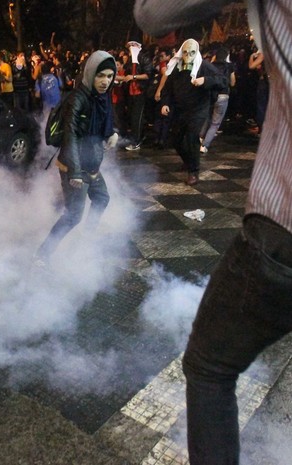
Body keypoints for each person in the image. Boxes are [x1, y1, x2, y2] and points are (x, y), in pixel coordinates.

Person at [135, 1, 292, 464]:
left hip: (283, 228)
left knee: (209, 369)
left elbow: (153, 13)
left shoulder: (211, 67)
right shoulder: (179, 68)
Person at [35, 50, 119, 265]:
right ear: (90, 73)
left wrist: (112, 133)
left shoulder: (102, 98)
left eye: (110, 76)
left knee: (102, 198)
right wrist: (74, 173)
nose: (105, 81)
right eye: (101, 76)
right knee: (73, 215)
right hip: (74, 166)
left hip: (92, 164)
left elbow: (104, 125)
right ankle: (42, 255)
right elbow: (70, 136)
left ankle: (88, 237)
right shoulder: (77, 99)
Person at [159, 38, 228, 185]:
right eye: (185, 52)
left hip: (198, 109)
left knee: (192, 138)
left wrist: (206, 80)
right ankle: (188, 161)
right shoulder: (176, 67)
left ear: (196, 53)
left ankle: (193, 172)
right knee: (176, 139)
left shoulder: (204, 66)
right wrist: (165, 103)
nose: (188, 55)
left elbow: (223, 81)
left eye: (191, 52)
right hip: (180, 109)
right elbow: (167, 88)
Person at [116, 41, 154, 151]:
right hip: (131, 92)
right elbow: (126, 75)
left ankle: (136, 141)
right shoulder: (130, 61)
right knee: (133, 117)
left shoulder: (144, 58)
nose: (130, 49)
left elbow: (148, 75)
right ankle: (138, 137)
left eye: (132, 46)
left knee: (136, 118)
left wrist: (133, 77)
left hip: (140, 92)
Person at [200, 47, 236, 154]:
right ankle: (204, 145)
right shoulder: (230, 66)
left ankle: (200, 137)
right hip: (223, 95)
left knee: (207, 118)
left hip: (211, 95)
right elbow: (233, 83)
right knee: (215, 123)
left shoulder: (210, 65)